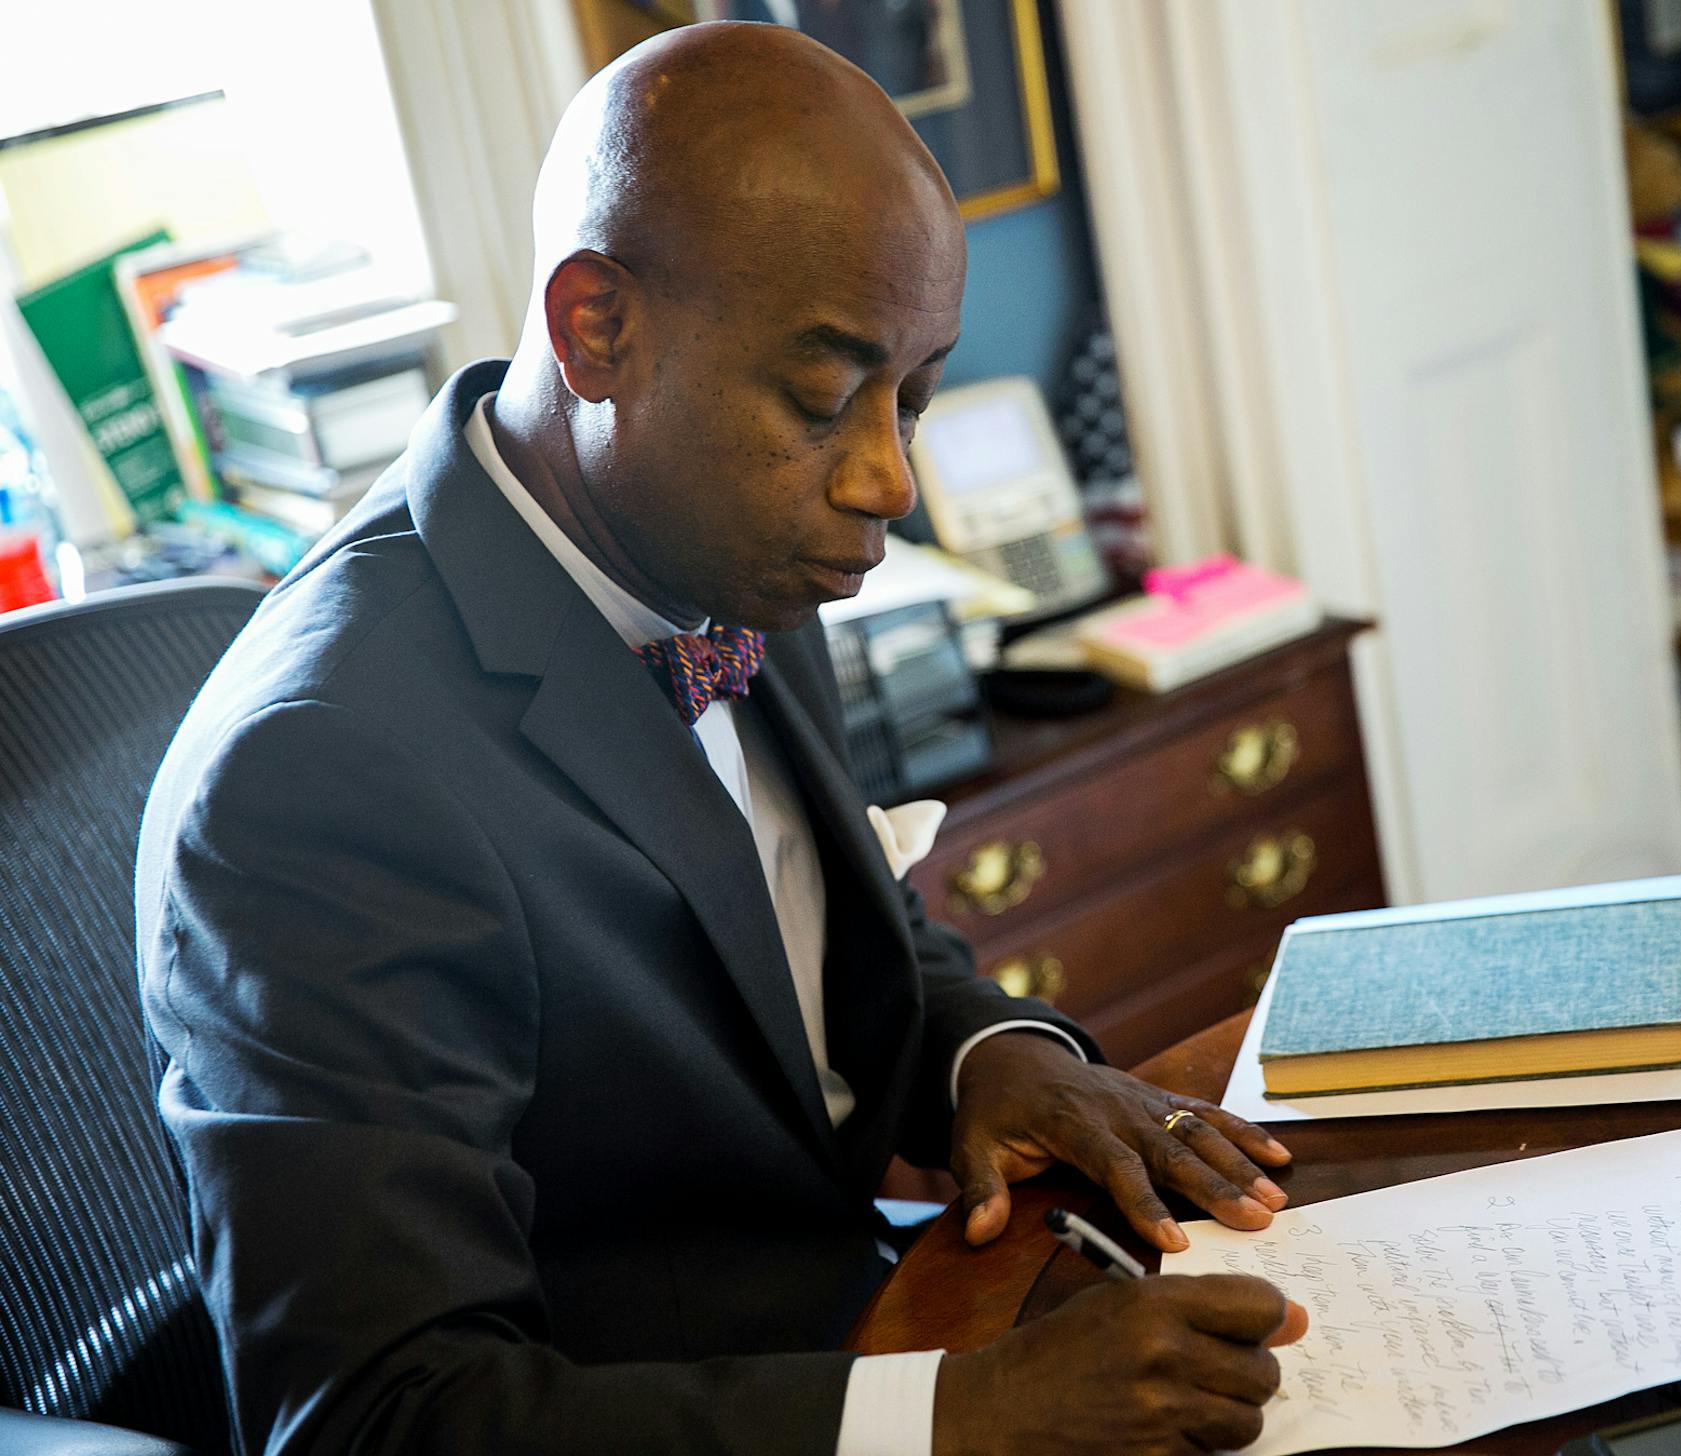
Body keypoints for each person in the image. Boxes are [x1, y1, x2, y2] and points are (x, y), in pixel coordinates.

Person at [137, 20, 1306, 1456]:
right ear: (598, 328)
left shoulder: (720, 538)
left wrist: (987, 1055)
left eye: (915, 393)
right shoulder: (321, 778)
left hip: (864, 1313)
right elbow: (381, 1421)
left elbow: (820, 946)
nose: (888, 476)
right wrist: (956, 1418)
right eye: (825, 397)